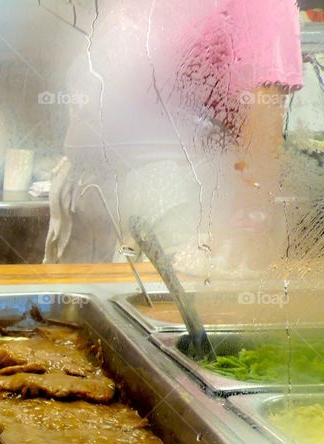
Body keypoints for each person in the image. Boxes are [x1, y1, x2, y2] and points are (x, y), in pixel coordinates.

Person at [45, 0, 303, 272]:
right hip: (97, 204)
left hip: (177, 208)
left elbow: (264, 109)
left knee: (163, 312)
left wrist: (250, 222)